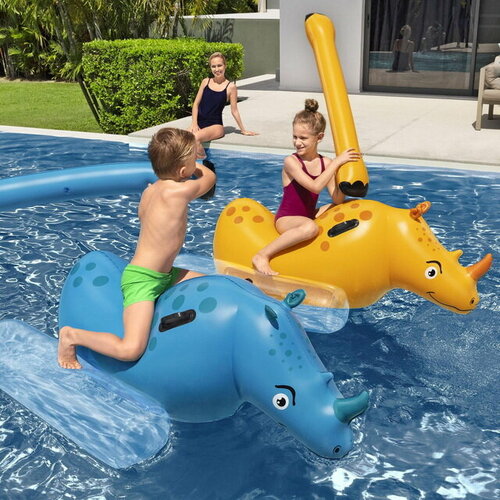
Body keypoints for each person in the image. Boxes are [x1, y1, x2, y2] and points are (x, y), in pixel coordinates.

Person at [58, 128, 216, 369]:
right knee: (130, 350)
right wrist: (200, 164)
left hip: (167, 274)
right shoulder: (178, 191)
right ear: (183, 171)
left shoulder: (149, 191)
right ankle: (71, 336)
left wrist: (191, 159)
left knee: (215, 286)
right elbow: (209, 179)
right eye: (192, 159)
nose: (195, 163)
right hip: (142, 280)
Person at [252, 99, 361, 276]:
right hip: (287, 219)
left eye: (303, 138)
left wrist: (343, 172)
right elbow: (315, 187)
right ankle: (262, 255)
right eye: (295, 137)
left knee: (349, 206)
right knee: (310, 228)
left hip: (309, 214)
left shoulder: (326, 163)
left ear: (319, 137)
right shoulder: (291, 162)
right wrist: (336, 163)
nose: (297, 142)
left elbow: (337, 199)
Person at [189, 52, 257, 159]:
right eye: (213, 66)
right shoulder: (205, 82)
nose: (217, 69)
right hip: (199, 123)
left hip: (215, 126)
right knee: (179, 140)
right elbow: (196, 104)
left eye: (219, 65)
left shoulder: (231, 87)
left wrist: (243, 130)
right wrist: (194, 124)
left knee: (194, 138)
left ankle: (203, 164)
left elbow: (234, 111)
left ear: (225, 66)